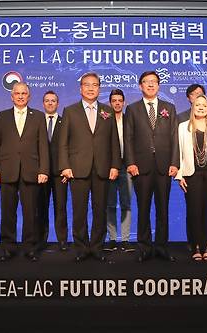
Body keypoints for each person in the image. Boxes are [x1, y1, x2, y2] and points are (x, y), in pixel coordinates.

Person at [58, 72, 121, 262]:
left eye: (95, 85)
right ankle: (81, 248)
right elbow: (63, 143)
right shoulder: (70, 111)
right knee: (79, 210)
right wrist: (65, 166)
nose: (91, 88)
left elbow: (114, 142)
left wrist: (115, 165)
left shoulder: (107, 111)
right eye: (87, 85)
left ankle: (97, 247)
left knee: (100, 209)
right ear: (81, 88)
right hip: (77, 169)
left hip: (102, 168)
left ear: (99, 88)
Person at [0, 82, 49, 262]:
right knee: (7, 212)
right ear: (11, 96)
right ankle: (8, 247)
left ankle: (30, 247)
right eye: (17, 93)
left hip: (31, 171)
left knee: (30, 213)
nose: (21, 96)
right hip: (7, 171)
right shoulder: (1, 116)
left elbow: (43, 145)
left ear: (29, 96)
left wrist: (43, 169)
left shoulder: (38, 116)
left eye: (24, 93)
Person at [124, 70, 179, 262]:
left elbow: (175, 138)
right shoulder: (132, 109)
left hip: (164, 166)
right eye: (146, 82)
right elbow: (128, 138)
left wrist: (174, 163)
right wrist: (130, 162)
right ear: (140, 86)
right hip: (141, 166)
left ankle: (162, 247)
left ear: (158, 85)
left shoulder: (169, 108)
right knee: (144, 207)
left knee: (163, 208)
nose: (150, 85)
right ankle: (144, 248)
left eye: (154, 82)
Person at [175, 95, 207, 261]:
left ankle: (206, 246)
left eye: (204, 105)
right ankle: (196, 246)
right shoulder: (183, 127)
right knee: (194, 211)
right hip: (192, 174)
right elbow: (179, 152)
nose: (200, 107)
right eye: (197, 104)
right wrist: (179, 175)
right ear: (192, 106)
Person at [37, 90, 69, 252]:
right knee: (41, 208)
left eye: (53, 101)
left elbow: (70, 148)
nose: (50, 103)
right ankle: (41, 240)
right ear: (43, 103)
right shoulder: (36, 122)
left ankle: (62, 240)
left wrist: (66, 169)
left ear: (58, 104)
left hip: (60, 174)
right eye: (47, 101)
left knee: (61, 208)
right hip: (40, 174)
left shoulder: (65, 122)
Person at [104, 89, 134, 253]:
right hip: (109, 167)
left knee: (126, 203)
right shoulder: (104, 119)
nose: (116, 103)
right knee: (109, 204)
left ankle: (126, 239)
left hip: (127, 166)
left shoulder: (129, 120)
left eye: (119, 100)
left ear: (124, 103)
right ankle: (112, 239)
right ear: (110, 103)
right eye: (114, 100)